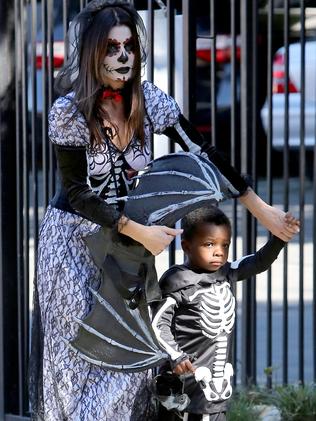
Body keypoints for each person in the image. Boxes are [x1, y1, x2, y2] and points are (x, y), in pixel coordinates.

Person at [28, 1, 299, 420]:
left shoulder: (147, 99)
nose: (122, 56)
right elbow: (79, 193)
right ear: (91, 53)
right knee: (79, 355)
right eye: (110, 47)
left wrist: (261, 210)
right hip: (70, 244)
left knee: (130, 353)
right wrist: (136, 229)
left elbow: (203, 152)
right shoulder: (70, 111)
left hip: (123, 243)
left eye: (129, 46)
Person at [151, 205, 299, 421]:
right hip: (186, 387)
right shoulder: (177, 280)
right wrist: (176, 355)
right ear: (186, 246)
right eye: (209, 244)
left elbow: (259, 261)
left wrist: (280, 238)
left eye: (225, 245)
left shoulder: (226, 272)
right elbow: (158, 323)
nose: (219, 251)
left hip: (218, 390)